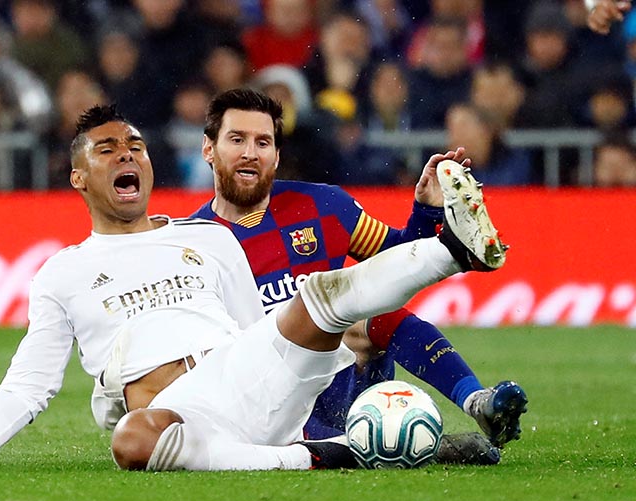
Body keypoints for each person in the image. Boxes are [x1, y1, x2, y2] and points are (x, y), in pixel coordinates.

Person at [0, 103, 507, 471]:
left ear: (149, 164)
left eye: (135, 146)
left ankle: (453, 249)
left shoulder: (206, 240)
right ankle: (341, 453)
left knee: (323, 297)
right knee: (131, 441)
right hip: (187, 416)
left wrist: (332, 353)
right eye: (107, 149)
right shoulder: (62, 272)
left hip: (245, 377)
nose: (126, 155)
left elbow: (250, 331)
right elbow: (28, 388)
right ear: (78, 179)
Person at [187, 89, 527, 457]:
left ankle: (477, 402)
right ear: (209, 148)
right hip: (266, 402)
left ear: (277, 154)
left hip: (343, 383)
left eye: (263, 142)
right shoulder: (191, 247)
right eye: (237, 139)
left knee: (371, 314)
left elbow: (398, 262)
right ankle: (410, 448)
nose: (251, 152)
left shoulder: (324, 207)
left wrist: (427, 211)